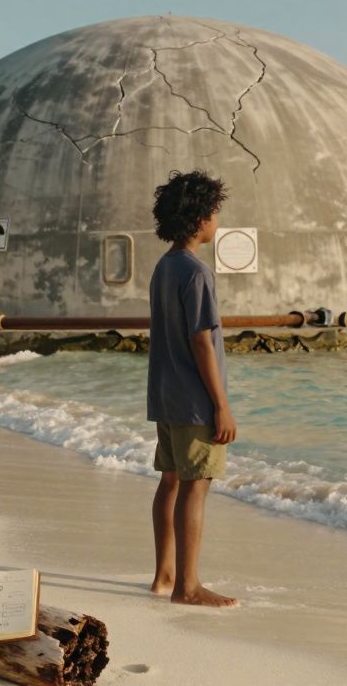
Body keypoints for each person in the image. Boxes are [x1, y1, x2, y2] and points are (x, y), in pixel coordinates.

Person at [146, 170, 238, 608]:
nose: (217, 220)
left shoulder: (165, 267)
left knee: (170, 482)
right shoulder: (197, 272)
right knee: (196, 485)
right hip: (194, 399)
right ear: (200, 218)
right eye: (215, 212)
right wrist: (221, 405)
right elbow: (202, 340)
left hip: (164, 395)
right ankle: (189, 587)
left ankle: (164, 576)